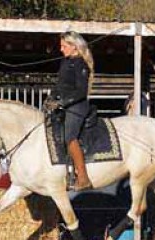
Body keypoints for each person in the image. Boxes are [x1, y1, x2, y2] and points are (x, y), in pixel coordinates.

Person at [44, 31, 94, 192]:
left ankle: (83, 177)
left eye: (64, 46)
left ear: (74, 47)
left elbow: (81, 92)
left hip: (77, 106)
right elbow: (60, 86)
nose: (61, 49)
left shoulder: (81, 64)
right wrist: (51, 98)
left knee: (69, 136)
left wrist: (63, 103)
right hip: (64, 105)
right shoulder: (65, 63)